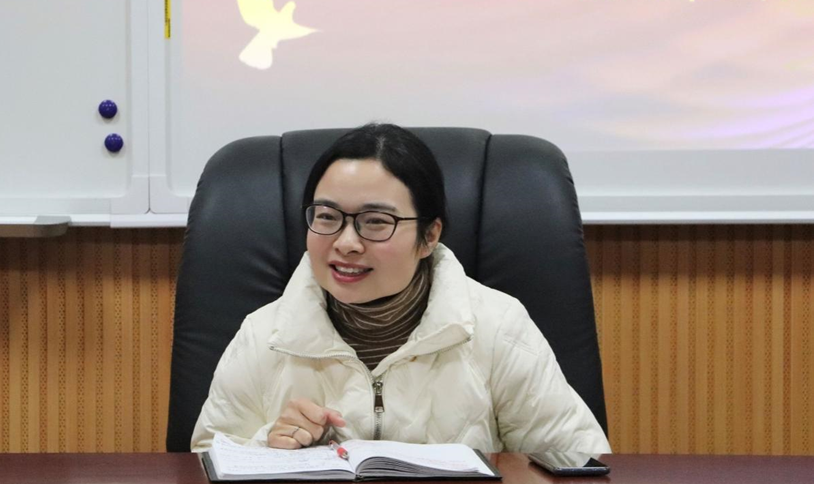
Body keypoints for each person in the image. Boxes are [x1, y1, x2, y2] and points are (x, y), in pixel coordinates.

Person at [191, 123, 610, 454]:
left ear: (429, 236)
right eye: (327, 217)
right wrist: (268, 447)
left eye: (376, 221)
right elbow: (206, 467)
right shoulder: (263, 336)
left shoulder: (498, 328)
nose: (346, 242)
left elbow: (578, 463)